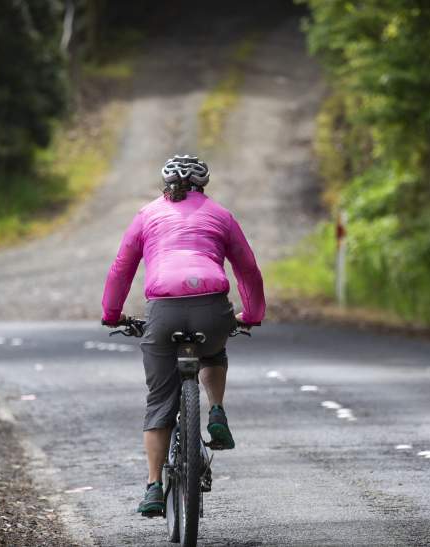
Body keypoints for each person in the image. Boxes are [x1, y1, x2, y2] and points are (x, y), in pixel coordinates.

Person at [100, 154, 265, 516]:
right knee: (214, 350)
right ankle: (217, 411)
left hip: (164, 307)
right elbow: (248, 268)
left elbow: (121, 268)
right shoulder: (220, 215)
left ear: (166, 185)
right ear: (202, 186)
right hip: (212, 307)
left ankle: (154, 487)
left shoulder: (147, 215)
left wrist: (112, 314)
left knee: (160, 401)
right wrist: (251, 315)